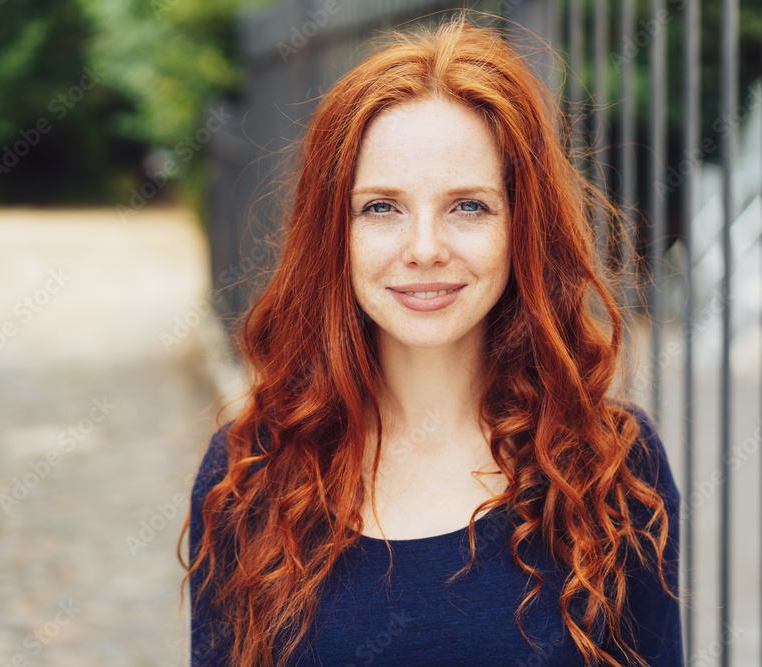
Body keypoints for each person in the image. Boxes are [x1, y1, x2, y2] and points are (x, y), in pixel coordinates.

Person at [180, 15, 682, 667]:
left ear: (521, 225)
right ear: (334, 230)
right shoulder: (250, 473)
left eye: (467, 206)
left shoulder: (611, 464)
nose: (424, 249)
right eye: (382, 207)